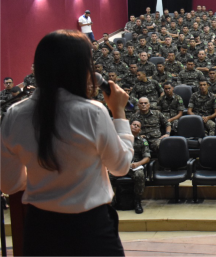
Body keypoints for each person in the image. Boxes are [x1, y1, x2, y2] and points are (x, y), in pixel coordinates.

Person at [0, 30, 132, 256]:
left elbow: (9, 185)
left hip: (40, 230)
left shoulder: (14, 114)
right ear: (81, 69)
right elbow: (120, 167)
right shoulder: (93, 113)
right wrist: (119, 113)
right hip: (91, 230)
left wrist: (45, 183)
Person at [110, 120, 150, 214]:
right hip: (121, 165)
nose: (135, 126)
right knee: (107, 176)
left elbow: (147, 157)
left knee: (140, 175)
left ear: (140, 130)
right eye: (134, 124)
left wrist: (138, 164)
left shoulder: (143, 141)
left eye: (138, 126)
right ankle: (112, 202)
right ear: (129, 126)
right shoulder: (120, 139)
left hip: (134, 166)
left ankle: (137, 201)